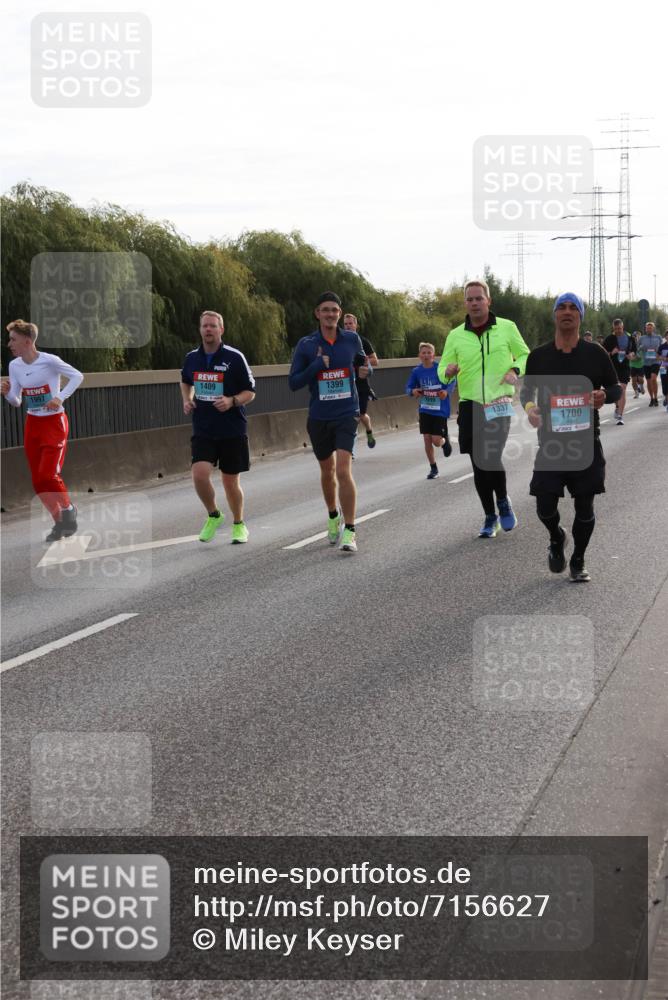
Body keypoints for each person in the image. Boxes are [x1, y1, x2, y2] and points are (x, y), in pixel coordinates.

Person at [521, 293, 621, 583]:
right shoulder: (539, 356)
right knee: (544, 505)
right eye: (561, 308)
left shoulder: (596, 354)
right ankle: (557, 536)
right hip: (551, 444)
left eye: (573, 308)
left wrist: (604, 395)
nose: (567, 312)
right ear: (554, 315)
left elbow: (615, 388)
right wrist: (530, 410)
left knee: (584, 506)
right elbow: (527, 393)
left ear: (580, 316)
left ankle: (578, 559)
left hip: (585, 443)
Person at [437, 279, 530, 538]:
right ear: (465, 303)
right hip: (470, 405)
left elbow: (525, 354)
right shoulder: (456, 335)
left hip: (498, 401)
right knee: (478, 463)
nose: (475, 303)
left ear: (488, 301)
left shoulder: (507, 328)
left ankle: (502, 501)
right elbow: (442, 370)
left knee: (489, 455)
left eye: (479, 298)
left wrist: (515, 369)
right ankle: (490, 516)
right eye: (470, 299)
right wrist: (447, 371)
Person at [288, 292, 369, 553]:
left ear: (339, 312)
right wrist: (315, 366)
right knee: (328, 472)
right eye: (325, 310)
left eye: (334, 310)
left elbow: (363, 366)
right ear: (317, 314)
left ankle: (351, 529)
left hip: (347, 412)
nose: (331, 314)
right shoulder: (307, 344)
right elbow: (293, 383)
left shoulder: (352, 339)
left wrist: (367, 371)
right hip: (319, 416)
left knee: (344, 470)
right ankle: (333, 515)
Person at [1, 319, 83, 541]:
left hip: (54, 423)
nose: (9, 344)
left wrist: (59, 397)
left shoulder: (49, 361)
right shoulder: (14, 366)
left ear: (27, 342)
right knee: (38, 482)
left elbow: (77, 376)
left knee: (49, 474)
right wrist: (7, 393)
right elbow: (17, 401)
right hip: (33, 425)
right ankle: (60, 524)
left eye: (13, 339)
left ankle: (68, 510)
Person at [180, 310, 256, 544]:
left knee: (230, 481)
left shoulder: (234, 357)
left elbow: (250, 392)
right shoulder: (192, 357)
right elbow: (185, 380)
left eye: (213, 326)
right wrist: (187, 398)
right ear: (200, 329)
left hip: (231, 428)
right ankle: (214, 514)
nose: (208, 330)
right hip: (203, 427)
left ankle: (239, 524)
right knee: (199, 475)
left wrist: (231, 401)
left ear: (221, 329)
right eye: (205, 326)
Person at [405, 342, 455, 479]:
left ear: (434, 355)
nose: (426, 355)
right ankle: (433, 468)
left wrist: (446, 391)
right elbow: (408, 388)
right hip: (425, 409)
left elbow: (452, 380)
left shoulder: (440, 369)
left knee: (436, 441)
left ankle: (445, 441)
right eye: (423, 353)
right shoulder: (416, 371)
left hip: (440, 409)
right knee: (427, 439)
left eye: (429, 353)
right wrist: (413, 391)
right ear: (419, 355)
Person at [343, 312, 378, 448]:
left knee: (361, 415)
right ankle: (349, 449)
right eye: (345, 324)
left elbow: (375, 361)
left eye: (350, 323)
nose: (348, 326)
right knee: (351, 416)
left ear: (356, 325)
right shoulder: (340, 341)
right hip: (346, 385)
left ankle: (369, 432)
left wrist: (365, 363)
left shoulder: (363, 341)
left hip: (361, 386)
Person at [603, 318, 636, 425]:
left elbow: (634, 351)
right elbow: (603, 355)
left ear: (623, 327)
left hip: (625, 366)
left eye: (620, 328)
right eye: (616, 329)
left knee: (622, 388)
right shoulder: (609, 339)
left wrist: (632, 355)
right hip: (612, 367)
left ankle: (620, 416)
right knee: (615, 391)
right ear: (613, 328)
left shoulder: (630, 338)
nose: (618, 331)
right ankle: (617, 406)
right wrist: (612, 352)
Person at [637, 321, 663, 406]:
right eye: (647, 328)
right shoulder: (642, 338)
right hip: (646, 362)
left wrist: (658, 351)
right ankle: (651, 398)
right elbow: (637, 349)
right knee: (648, 381)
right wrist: (641, 348)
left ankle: (656, 397)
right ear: (645, 329)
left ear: (653, 329)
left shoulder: (658, 337)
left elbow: (662, 348)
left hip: (656, 361)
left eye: (650, 328)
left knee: (653, 379)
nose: (649, 329)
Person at [658, 331, 668, 409]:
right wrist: (663, 358)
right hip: (663, 367)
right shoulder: (662, 346)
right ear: (665, 337)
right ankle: (666, 398)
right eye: (667, 336)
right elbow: (657, 356)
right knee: (664, 384)